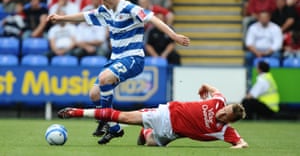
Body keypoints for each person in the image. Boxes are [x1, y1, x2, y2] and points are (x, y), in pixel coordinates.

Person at [47, 0, 190, 145]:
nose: (103, 2)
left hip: (133, 58)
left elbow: (154, 19)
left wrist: (174, 36)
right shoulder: (105, 10)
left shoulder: (129, 8)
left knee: (104, 79)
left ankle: (105, 118)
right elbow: (84, 16)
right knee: (94, 94)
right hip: (115, 59)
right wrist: (61, 18)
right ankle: (115, 128)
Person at [57, 83, 248, 148]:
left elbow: (242, 143)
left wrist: (238, 148)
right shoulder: (219, 101)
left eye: (225, 115)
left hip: (171, 134)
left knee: (149, 144)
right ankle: (76, 112)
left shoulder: (223, 131)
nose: (221, 112)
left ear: (230, 120)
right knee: (124, 117)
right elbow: (214, 90)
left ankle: (146, 134)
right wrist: (205, 87)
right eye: (225, 109)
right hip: (165, 114)